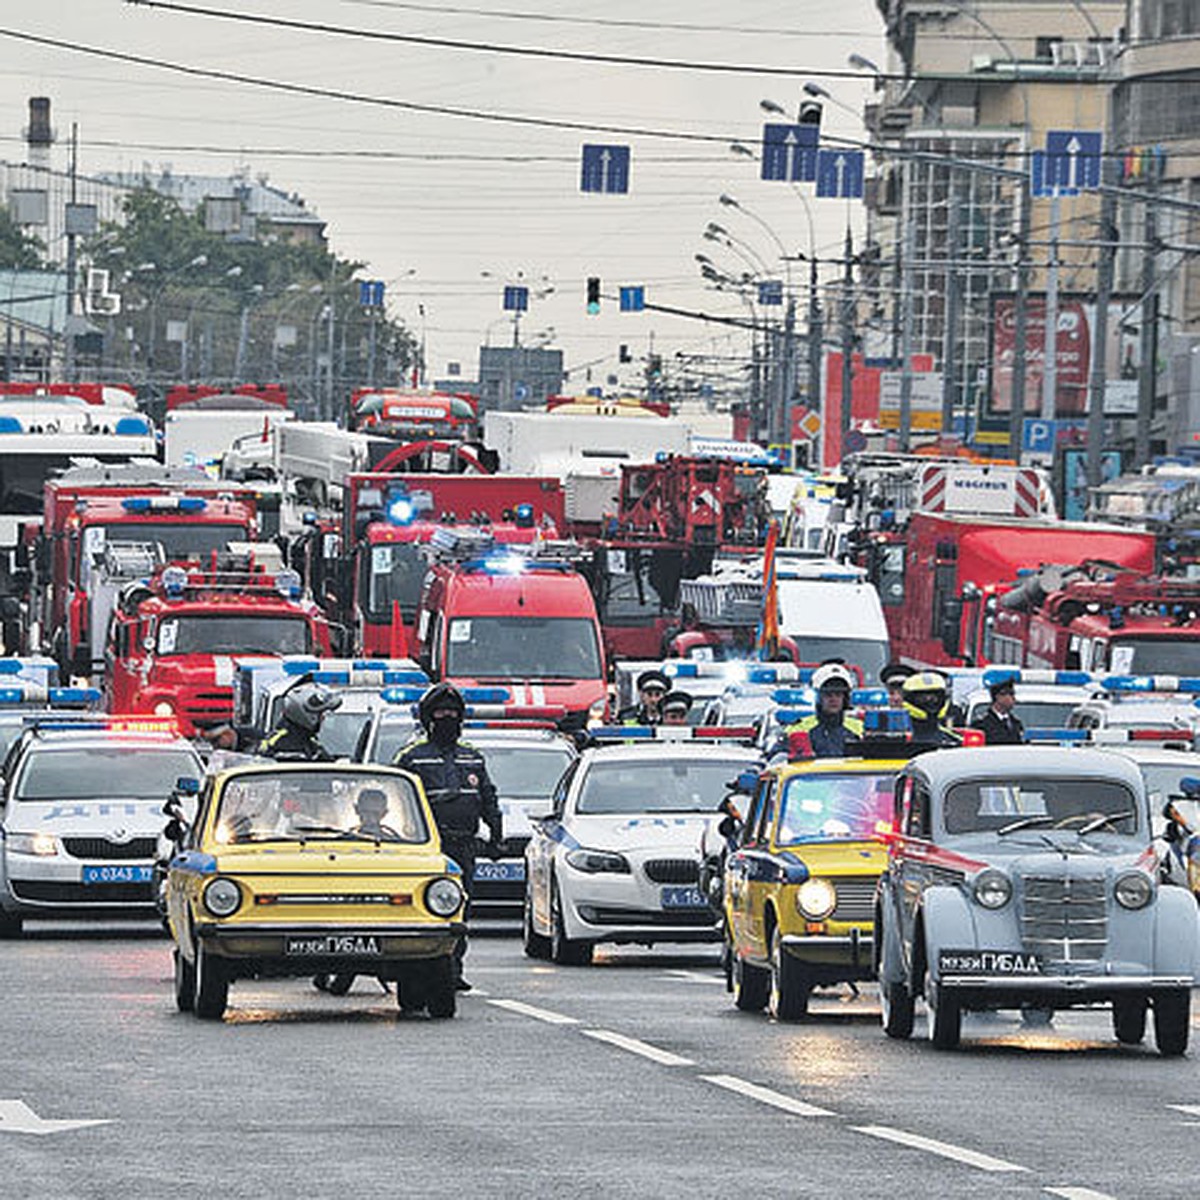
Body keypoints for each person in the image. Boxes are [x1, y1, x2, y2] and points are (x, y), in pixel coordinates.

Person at [394, 683, 503, 992]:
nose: (448, 719)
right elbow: (396, 801)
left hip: (464, 845)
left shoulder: (473, 758)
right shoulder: (411, 758)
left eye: (453, 714)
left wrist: (496, 835)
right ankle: (424, 966)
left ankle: (454, 968)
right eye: (441, 713)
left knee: (461, 909)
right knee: (430, 906)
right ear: (429, 719)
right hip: (429, 850)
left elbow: (488, 798)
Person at [781, 662, 864, 758]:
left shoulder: (860, 730)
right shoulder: (798, 729)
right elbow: (778, 759)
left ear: (845, 699)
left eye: (838, 694)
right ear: (818, 698)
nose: (833, 699)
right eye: (828, 694)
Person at [257, 681, 342, 762]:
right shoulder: (285, 745)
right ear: (306, 715)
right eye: (320, 714)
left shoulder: (307, 739)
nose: (323, 718)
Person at [901, 671, 963, 746]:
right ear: (909, 699)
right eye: (923, 698)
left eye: (934, 698)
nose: (929, 702)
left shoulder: (954, 739)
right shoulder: (897, 737)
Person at [971, 677, 1025, 745]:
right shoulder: (982, 725)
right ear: (998, 697)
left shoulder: (1016, 724)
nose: (1014, 698)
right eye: (1010, 694)